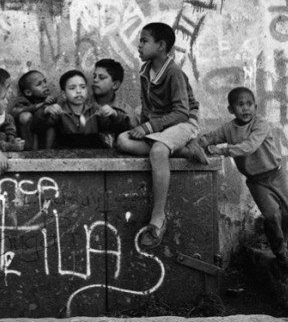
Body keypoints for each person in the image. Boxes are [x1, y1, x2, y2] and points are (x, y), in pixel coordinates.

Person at [116, 23, 205, 248]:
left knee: (157, 151)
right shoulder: (146, 71)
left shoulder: (173, 72)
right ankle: (184, 149)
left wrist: (148, 129)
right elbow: (148, 109)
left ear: (161, 46)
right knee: (123, 140)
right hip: (163, 128)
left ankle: (158, 218)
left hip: (184, 122)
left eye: (144, 40)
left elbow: (181, 112)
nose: (139, 45)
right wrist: (143, 124)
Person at [200, 87, 288, 275]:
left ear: (256, 107)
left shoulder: (260, 124)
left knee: (287, 216)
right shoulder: (229, 129)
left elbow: (249, 147)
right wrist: (199, 142)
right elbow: (211, 137)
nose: (245, 109)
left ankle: (283, 245)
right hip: (256, 181)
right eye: (240, 105)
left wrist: (222, 150)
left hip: (276, 174)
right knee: (271, 216)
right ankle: (280, 254)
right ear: (231, 109)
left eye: (249, 104)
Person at [33, 70, 129, 149]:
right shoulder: (58, 110)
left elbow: (120, 128)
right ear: (64, 94)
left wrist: (114, 115)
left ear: (87, 90)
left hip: (92, 155)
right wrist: (45, 112)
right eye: (72, 88)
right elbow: (36, 127)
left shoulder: (95, 110)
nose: (78, 91)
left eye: (82, 87)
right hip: (66, 155)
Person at [91, 58, 139, 148]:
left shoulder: (125, 110)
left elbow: (134, 134)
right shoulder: (83, 105)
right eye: (94, 76)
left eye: (101, 77)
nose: (95, 80)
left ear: (115, 84)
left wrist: (116, 116)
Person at [11, 70, 57, 150]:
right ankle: (30, 152)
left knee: (51, 124)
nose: (44, 85)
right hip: (29, 136)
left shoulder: (48, 99)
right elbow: (17, 111)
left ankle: (48, 152)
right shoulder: (22, 100)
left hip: (42, 134)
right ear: (28, 92)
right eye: (39, 84)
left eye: (44, 81)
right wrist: (42, 105)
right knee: (25, 116)